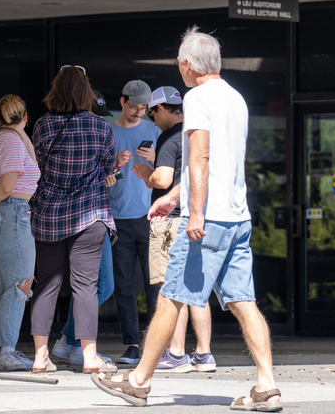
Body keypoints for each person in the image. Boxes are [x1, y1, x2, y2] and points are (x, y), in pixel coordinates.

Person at [92, 26, 282, 412]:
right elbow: (223, 163)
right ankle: (267, 385)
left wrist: (192, 212)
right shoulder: (237, 98)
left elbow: (200, 157)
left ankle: (139, 381)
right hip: (237, 218)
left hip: (207, 220)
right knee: (245, 301)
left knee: (170, 298)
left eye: (180, 63)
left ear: (188, 64)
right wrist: (174, 196)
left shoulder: (197, 98)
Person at [29, 66, 129, 374]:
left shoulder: (44, 125)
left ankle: (41, 357)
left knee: (46, 285)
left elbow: (38, 167)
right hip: (89, 215)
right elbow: (108, 165)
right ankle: (89, 357)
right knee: (86, 286)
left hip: (49, 216)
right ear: (86, 94)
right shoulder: (100, 127)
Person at [132, 86, 216, 373]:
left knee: (169, 288)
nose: (152, 119)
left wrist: (147, 173)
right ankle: (204, 354)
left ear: (163, 109)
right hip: (196, 218)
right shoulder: (196, 135)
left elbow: (164, 179)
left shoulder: (169, 137)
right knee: (196, 287)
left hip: (170, 221)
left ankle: (176, 353)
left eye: (153, 112)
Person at [52, 90, 115, 366]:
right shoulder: (80, 131)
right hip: (89, 217)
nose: (96, 120)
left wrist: (109, 173)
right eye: (92, 113)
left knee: (96, 286)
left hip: (90, 216)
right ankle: (76, 344)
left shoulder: (90, 131)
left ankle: (68, 341)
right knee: (95, 286)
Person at [0, 95, 39, 371]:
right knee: (21, 284)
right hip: (11, 212)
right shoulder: (12, 143)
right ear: (25, 117)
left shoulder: (0, 140)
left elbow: (30, 160)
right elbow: (7, 185)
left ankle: (4, 348)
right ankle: (7, 351)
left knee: (9, 286)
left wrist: (19, 130)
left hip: (4, 216)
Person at [105, 80, 161, 365]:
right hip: (116, 218)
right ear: (122, 101)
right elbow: (95, 174)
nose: (140, 112)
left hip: (150, 217)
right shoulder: (108, 131)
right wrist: (113, 164)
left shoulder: (155, 131)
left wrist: (154, 161)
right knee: (124, 286)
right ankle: (131, 344)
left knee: (155, 285)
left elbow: (170, 174)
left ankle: (156, 344)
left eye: (144, 107)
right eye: (135, 106)